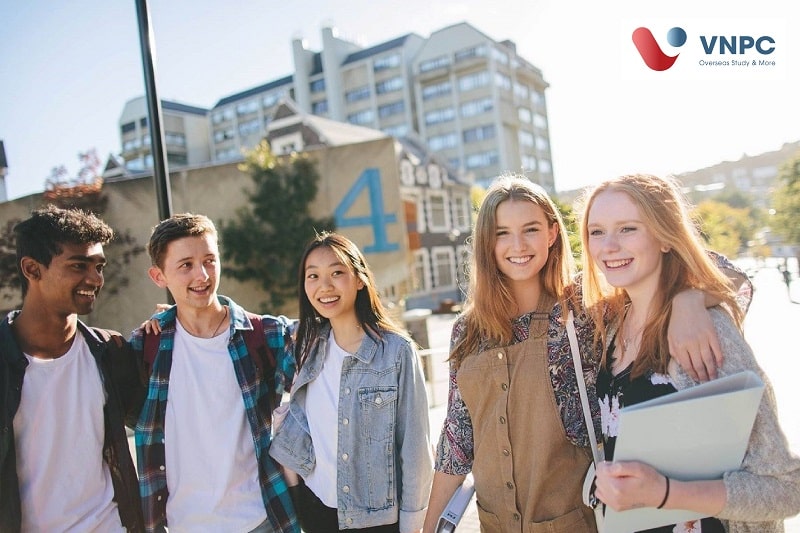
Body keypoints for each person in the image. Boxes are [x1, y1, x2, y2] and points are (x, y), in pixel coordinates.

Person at [421, 175, 752, 533]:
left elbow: (734, 277)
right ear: (487, 242)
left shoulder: (586, 306)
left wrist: (689, 299)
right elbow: (456, 443)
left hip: (581, 522)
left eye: (530, 229)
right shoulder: (468, 330)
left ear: (551, 233)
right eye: (502, 233)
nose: (517, 244)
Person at [580, 173, 800, 532]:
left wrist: (664, 493)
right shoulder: (612, 323)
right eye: (597, 231)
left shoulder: (705, 331)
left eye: (628, 229)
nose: (609, 247)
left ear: (665, 238)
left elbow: (785, 488)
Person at [131, 213, 298, 532]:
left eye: (210, 260)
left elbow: (325, 349)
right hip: (185, 524)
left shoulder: (262, 335)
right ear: (158, 276)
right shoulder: (144, 348)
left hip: (262, 519)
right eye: (186, 265)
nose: (202, 275)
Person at [269, 231, 433, 533]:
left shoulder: (395, 352)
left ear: (360, 279)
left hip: (377, 521)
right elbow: (247, 326)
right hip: (316, 508)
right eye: (313, 276)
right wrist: (176, 317)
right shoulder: (307, 344)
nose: (325, 286)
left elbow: (415, 450)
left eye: (337, 272)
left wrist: (413, 526)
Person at [0, 205, 144, 532]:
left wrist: (175, 328)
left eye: (99, 266)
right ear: (32, 269)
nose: (95, 278)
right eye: (79, 265)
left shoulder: (111, 352)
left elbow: (162, 424)